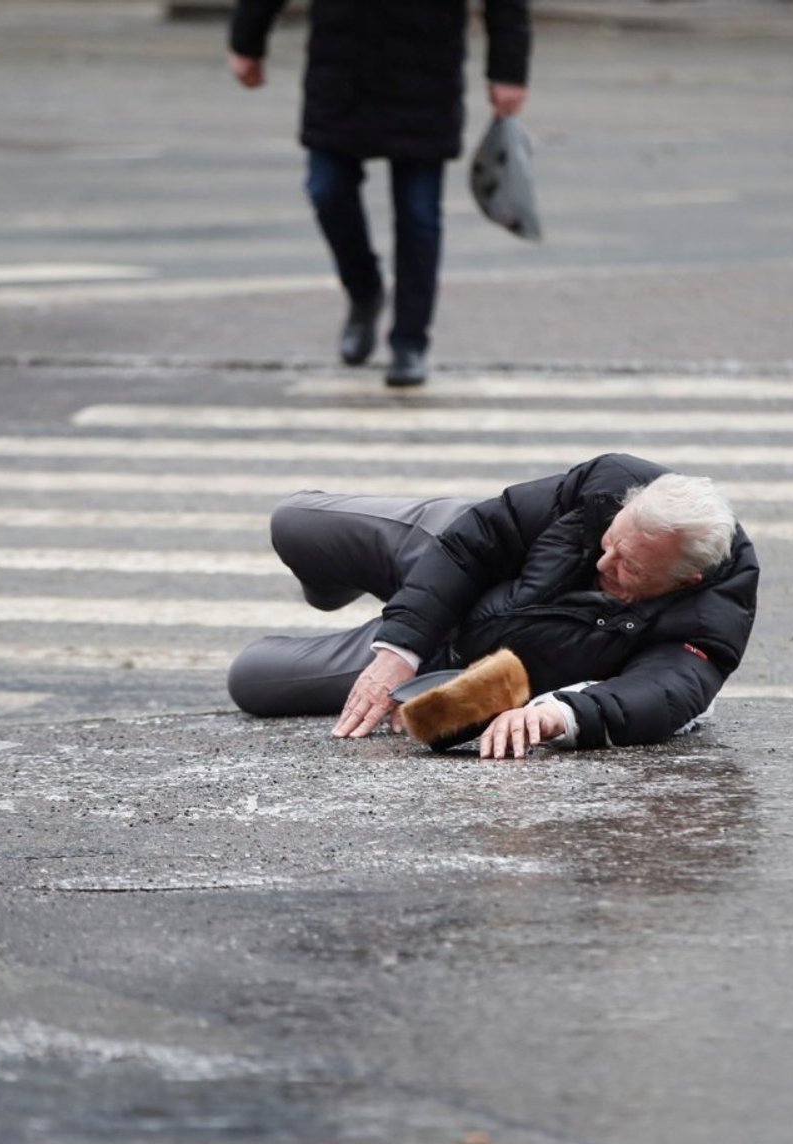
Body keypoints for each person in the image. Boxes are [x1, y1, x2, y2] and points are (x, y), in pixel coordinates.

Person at [227, 454, 760, 758]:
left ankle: (381, 619)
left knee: (251, 679)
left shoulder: (710, 622)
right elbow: (480, 536)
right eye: (609, 542)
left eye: (630, 569)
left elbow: (661, 695)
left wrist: (564, 714)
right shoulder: (612, 484)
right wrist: (398, 647)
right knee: (293, 521)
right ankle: (331, 587)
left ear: (684, 579)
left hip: (470, 661)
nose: (604, 563)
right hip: (455, 557)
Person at [227, 0, 531, 389]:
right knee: (326, 190)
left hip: (425, 70)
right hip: (339, 70)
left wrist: (508, 70)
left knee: (418, 215)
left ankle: (410, 342)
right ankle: (365, 290)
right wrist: (247, 40)